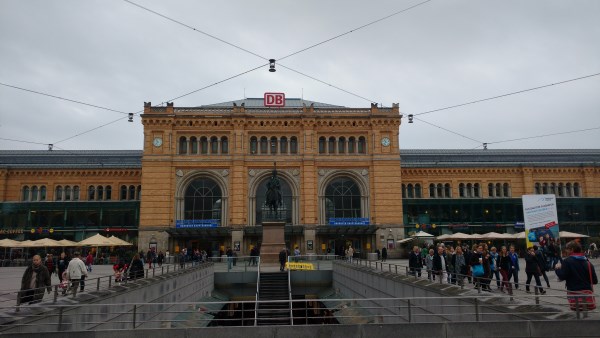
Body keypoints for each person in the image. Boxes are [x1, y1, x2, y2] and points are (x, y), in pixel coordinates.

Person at [555, 241, 598, 311]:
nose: (566, 251)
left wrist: (557, 269)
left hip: (574, 295)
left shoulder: (567, 261)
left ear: (571, 249)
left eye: (567, 249)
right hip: (587, 297)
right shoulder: (588, 262)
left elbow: (562, 276)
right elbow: (595, 281)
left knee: (577, 314)